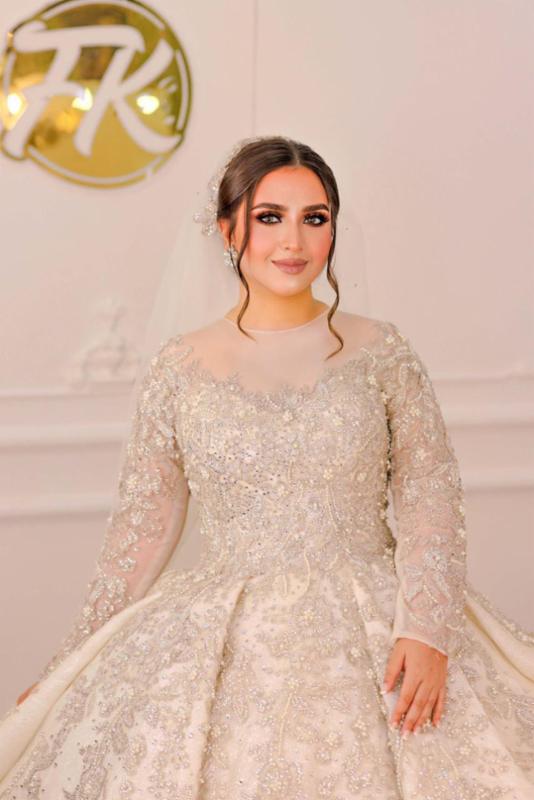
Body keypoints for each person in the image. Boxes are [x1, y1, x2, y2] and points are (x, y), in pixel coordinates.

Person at [1, 136, 534, 798]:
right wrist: (68, 665)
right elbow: (142, 529)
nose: (294, 242)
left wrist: (428, 630)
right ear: (228, 229)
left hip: (375, 624)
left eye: (315, 218)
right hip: (220, 634)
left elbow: (431, 497)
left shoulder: (381, 351)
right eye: (269, 217)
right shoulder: (179, 367)